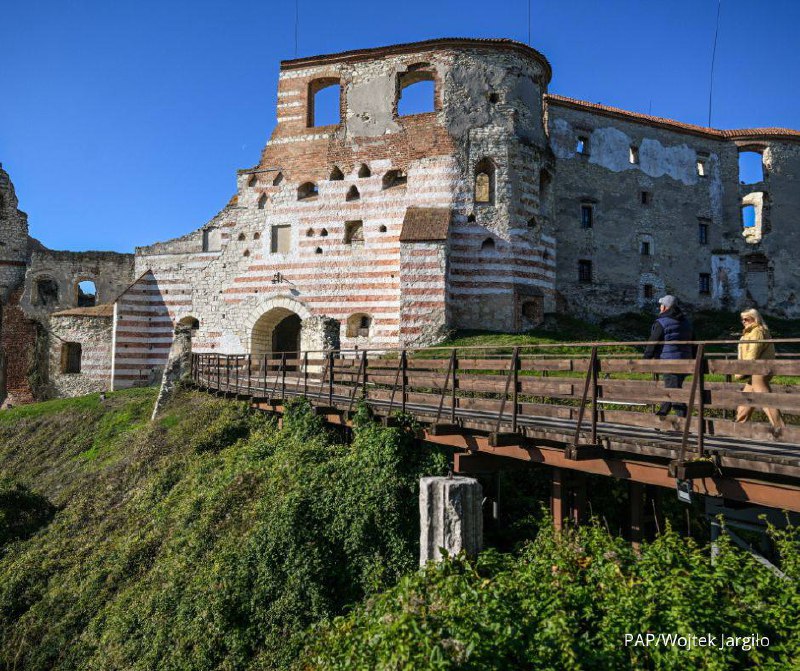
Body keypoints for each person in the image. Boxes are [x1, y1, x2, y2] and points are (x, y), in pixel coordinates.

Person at [734, 308, 785, 434]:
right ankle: (737, 429)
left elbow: (752, 354)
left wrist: (741, 371)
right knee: (746, 401)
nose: (744, 321)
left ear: (755, 319)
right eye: (742, 319)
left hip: (759, 370)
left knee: (766, 401)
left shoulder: (757, 331)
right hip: (756, 370)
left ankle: (782, 430)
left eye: (747, 319)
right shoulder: (750, 332)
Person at [643, 295, 694, 417]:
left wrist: (645, 359)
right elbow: (694, 341)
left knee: (673, 392)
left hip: (669, 362)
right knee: (672, 388)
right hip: (685, 362)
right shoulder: (686, 322)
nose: (660, 308)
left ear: (665, 307)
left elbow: (653, 342)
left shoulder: (662, 322)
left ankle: (684, 422)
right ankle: (661, 416)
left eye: (661, 305)